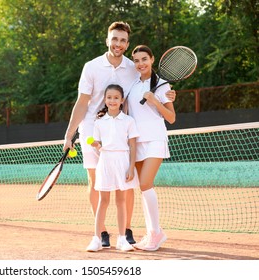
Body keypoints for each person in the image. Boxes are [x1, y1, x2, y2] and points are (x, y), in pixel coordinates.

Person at [63, 21, 176, 248]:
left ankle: (126, 231)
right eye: (114, 39)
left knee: (128, 182)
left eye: (123, 40)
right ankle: (102, 232)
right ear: (107, 40)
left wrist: (167, 94)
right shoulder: (91, 67)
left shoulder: (132, 68)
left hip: (121, 134)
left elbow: (148, 83)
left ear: (127, 43)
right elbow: (82, 102)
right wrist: (69, 134)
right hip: (91, 132)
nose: (118, 44)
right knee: (96, 183)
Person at [127, 45, 176, 251]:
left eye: (144, 59)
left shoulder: (163, 85)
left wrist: (155, 100)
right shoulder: (131, 85)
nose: (141, 64)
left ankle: (156, 233)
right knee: (143, 188)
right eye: (137, 60)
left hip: (155, 139)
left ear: (152, 59)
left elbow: (171, 118)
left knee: (146, 183)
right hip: (137, 142)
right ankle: (151, 233)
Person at [86, 84, 139, 252]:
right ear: (105, 100)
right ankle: (96, 238)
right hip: (105, 162)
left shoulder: (129, 121)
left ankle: (122, 239)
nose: (112, 100)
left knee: (121, 201)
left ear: (122, 100)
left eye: (116, 97)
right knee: (103, 200)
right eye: (109, 97)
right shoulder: (99, 122)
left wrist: (131, 168)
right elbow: (98, 146)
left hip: (123, 161)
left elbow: (132, 145)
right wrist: (96, 145)